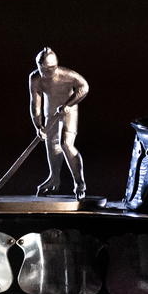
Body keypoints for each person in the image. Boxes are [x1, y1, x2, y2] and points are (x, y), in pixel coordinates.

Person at [30, 47, 89, 198]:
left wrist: (68, 104)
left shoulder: (67, 75)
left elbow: (84, 87)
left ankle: (79, 183)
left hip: (68, 112)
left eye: (51, 68)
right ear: (39, 66)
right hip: (50, 114)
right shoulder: (35, 78)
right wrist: (39, 126)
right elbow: (35, 104)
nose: (47, 72)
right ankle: (54, 179)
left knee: (65, 144)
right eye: (44, 69)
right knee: (51, 146)